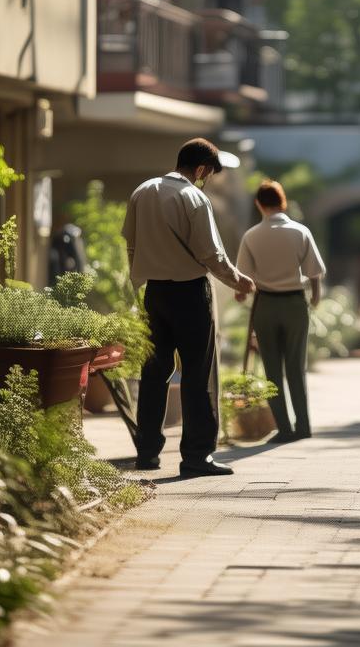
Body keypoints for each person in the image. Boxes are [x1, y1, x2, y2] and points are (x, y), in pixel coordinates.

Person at [121, 137, 256, 477]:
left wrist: (138, 285)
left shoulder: (142, 191)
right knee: (199, 373)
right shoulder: (194, 197)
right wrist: (238, 280)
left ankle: (147, 452)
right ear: (201, 168)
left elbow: (131, 243)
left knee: (154, 372)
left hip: (154, 293)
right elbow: (211, 254)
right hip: (190, 293)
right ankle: (197, 457)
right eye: (208, 173)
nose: (206, 179)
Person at [235, 180, 327, 443]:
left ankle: (284, 429)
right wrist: (315, 297)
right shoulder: (300, 231)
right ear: (283, 201)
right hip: (295, 304)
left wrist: (241, 294)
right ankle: (304, 426)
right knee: (296, 367)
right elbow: (314, 272)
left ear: (258, 204)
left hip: (265, 304)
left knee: (272, 369)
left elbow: (243, 279)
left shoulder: (251, 236)